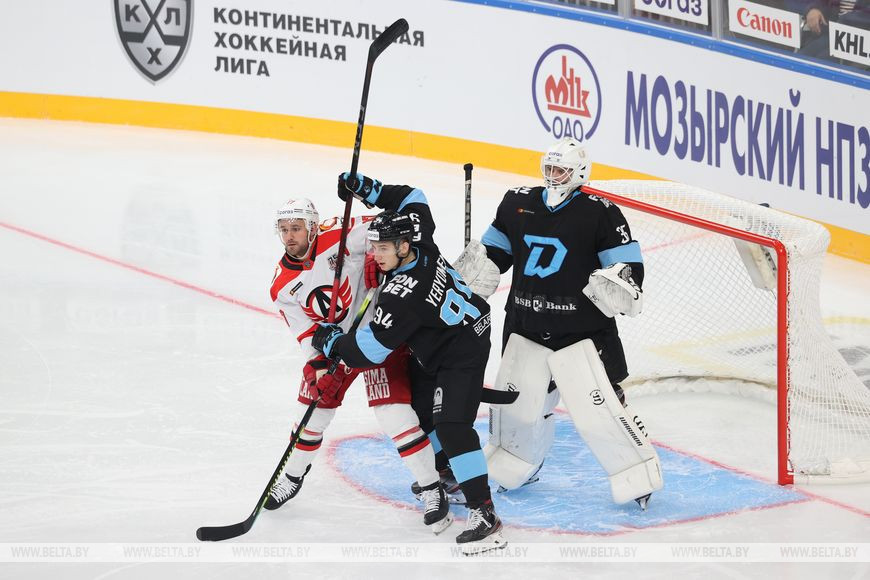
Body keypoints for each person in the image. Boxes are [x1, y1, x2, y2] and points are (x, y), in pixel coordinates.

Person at [455, 137, 663, 509]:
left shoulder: (600, 211)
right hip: (526, 325)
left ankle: (637, 474)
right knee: (517, 408)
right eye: (549, 168)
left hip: (582, 332)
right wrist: (476, 268)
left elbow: (629, 266)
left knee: (600, 412)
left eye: (561, 170)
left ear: (579, 172)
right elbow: (495, 252)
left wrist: (619, 281)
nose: (553, 176)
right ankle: (517, 463)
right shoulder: (517, 202)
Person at [310, 175, 507, 555]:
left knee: (452, 426)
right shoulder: (421, 239)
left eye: (383, 248)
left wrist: (331, 341)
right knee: (421, 412)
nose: (375, 255)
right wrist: (365, 188)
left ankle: (485, 516)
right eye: (374, 247)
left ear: (403, 246)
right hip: (444, 339)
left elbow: (368, 353)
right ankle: (447, 471)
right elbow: (413, 196)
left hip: (462, 351)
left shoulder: (402, 296)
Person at [265, 197, 452, 534]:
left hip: (378, 336)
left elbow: (391, 227)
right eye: (284, 229)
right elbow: (306, 332)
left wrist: (372, 258)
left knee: (396, 416)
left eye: (296, 228)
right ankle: (291, 477)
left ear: (312, 227)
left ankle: (431, 488)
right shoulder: (281, 286)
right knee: (311, 416)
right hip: (334, 346)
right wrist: (318, 365)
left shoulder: (340, 233)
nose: (289, 236)